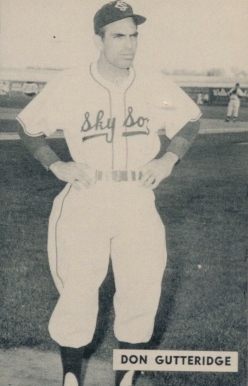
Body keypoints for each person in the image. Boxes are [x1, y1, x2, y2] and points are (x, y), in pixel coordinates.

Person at [17, 1, 201, 385]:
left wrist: (168, 159)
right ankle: (71, 376)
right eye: (119, 36)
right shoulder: (70, 82)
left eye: (134, 36)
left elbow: (189, 121)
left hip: (137, 196)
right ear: (99, 39)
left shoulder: (152, 82)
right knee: (79, 290)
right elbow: (29, 128)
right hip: (88, 194)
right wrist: (57, 165)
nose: (129, 45)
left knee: (143, 286)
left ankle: (126, 378)